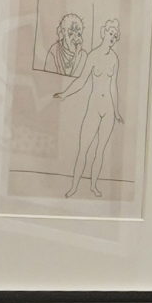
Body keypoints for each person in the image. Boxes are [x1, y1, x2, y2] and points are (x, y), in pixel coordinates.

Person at [55, 16, 121, 199]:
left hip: (107, 109)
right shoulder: (93, 55)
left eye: (115, 35)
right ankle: (74, 187)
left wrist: (116, 111)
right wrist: (65, 93)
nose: (112, 37)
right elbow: (81, 80)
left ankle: (93, 186)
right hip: (94, 107)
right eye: (110, 33)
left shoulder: (115, 59)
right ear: (103, 33)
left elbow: (113, 86)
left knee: (100, 151)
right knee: (83, 148)